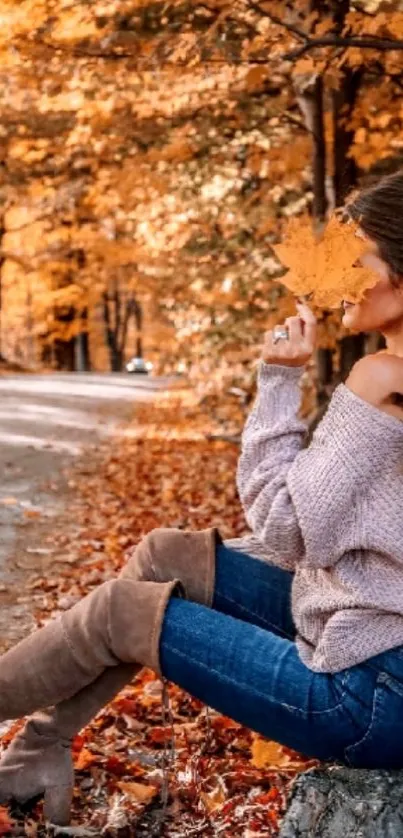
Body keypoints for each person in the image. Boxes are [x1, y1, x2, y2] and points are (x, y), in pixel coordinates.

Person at [0, 172, 402, 826]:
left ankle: (25, 741)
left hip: (367, 697)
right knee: (167, 555)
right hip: (380, 649)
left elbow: (282, 528)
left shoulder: (383, 377)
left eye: (358, 256)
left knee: (118, 613)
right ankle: (38, 751)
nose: (341, 273)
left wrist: (277, 381)